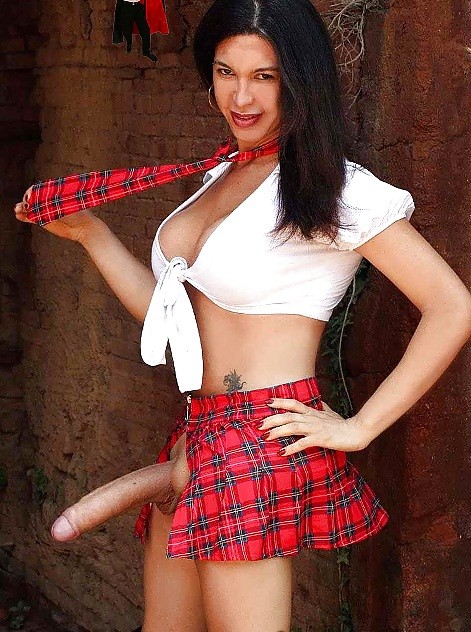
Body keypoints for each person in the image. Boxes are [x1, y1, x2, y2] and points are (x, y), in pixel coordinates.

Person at [14, 0, 471, 630]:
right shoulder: (221, 173)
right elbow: (173, 324)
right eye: (226, 72)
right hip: (196, 430)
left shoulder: (334, 188)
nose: (242, 97)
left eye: (265, 76)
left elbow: (451, 306)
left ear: (300, 81)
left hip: (260, 438)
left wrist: (360, 426)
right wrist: (92, 235)